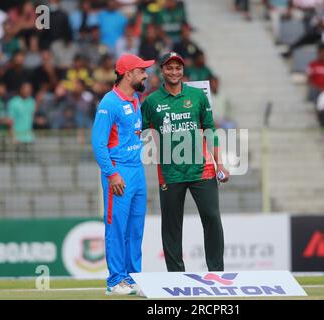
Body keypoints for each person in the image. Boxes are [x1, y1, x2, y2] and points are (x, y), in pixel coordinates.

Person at [141, 51, 229, 272]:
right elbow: (137, 133)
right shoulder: (151, 101)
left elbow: (210, 130)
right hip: (170, 172)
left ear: (183, 70)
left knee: (211, 218)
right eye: (169, 68)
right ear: (161, 71)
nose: (174, 72)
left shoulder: (198, 96)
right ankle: (176, 275)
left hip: (202, 169)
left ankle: (217, 272)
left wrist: (221, 163)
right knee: (171, 226)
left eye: (178, 68)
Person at [91, 53, 154, 296]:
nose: (146, 74)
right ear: (128, 74)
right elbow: (98, 144)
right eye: (141, 71)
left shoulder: (136, 99)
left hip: (137, 170)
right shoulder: (109, 103)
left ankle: (133, 277)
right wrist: (111, 174)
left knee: (135, 228)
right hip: (119, 172)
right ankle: (115, 280)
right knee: (117, 227)